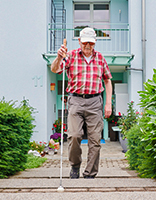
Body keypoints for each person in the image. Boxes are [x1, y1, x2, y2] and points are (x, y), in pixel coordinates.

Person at [50, 27, 112, 179]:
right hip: (76, 100)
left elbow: (107, 81)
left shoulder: (100, 58)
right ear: (79, 41)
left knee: (95, 140)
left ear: (95, 42)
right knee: (75, 135)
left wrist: (108, 103)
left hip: (95, 101)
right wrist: (59, 57)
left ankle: (90, 173)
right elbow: (55, 69)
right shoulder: (70, 56)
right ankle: (75, 166)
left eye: (91, 43)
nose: (88, 46)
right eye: (85, 43)